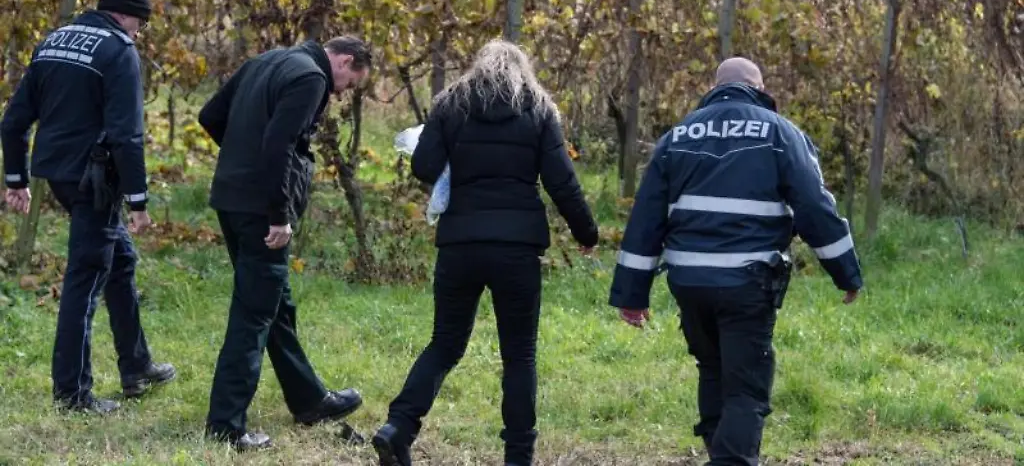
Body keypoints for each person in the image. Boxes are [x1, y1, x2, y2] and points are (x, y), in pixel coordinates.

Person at [608, 57, 863, 465]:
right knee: (746, 389)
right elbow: (815, 207)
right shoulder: (779, 133)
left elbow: (645, 219)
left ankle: (720, 453)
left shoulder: (678, 137)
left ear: (715, 88)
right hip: (748, 280)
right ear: (759, 89)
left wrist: (632, 295)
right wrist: (845, 272)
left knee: (712, 368)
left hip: (689, 280)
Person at [371, 39, 600, 466]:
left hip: (460, 244)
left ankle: (398, 426)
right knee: (519, 355)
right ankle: (518, 456)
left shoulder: (450, 105)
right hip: (517, 248)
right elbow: (561, 181)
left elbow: (423, 167)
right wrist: (586, 231)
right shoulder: (538, 109)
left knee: (445, 343)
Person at [0, 0, 176, 414]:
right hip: (94, 180)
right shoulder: (118, 51)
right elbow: (127, 135)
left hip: (57, 173)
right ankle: (72, 392)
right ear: (127, 16)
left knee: (121, 260)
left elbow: (13, 121)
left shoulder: (53, 41)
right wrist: (138, 199)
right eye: (140, 25)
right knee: (86, 277)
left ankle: (136, 366)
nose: (139, 34)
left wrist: (16, 178)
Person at [197, 35, 372, 451]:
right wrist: (278, 214)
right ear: (344, 61)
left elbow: (210, 115)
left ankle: (309, 399)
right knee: (253, 314)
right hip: (261, 211)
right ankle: (225, 425)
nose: (340, 93)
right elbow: (278, 144)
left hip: (231, 198)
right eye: (348, 83)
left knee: (276, 302)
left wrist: (241, 159)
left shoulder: (266, 61)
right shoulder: (311, 78)